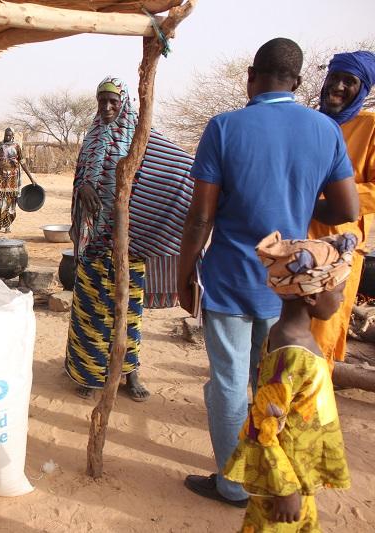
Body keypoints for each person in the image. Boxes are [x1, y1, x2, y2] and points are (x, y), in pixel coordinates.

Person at [178, 37, 358, 507]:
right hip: (286, 283)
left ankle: (233, 484)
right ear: (298, 82)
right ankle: (268, 475)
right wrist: (295, 198)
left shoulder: (224, 127)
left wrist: (182, 272)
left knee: (229, 382)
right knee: (271, 378)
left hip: (231, 276)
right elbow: (346, 207)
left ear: (251, 77)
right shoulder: (325, 129)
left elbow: (201, 216)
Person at [65, 75, 196, 402]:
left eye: (113, 101)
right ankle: (91, 374)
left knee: (127, 311)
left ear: (123, 103)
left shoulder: (141, 136)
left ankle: (129, 372)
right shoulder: (92, 137)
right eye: (102, 101)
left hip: (128, 242)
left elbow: (180, 167)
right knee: (92, 311)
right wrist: (83, 187)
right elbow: (80, 178)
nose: (107, 107)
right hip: (93, 242)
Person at [224, 231, 353, 531]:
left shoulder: (287, 335)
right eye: (339, 290)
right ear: (312, 295)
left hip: (299, 474)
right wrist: (284, 489)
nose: (343, 298)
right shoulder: (293, 354)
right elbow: (262, 427)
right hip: (285, 483)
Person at [308, 51, 375, 366]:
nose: (336, 87)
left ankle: (304, 410)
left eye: (349, 81)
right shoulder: (309, 123)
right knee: (280, 330)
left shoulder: (370, 127)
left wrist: (329, 200)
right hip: (292, 242)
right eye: (333, 78)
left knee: (322, 333)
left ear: (363, 89)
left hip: (338, 248)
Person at [0, 127, 36, 232]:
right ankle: (0, 223)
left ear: (13, 135)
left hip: (13, 178)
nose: (7, 137)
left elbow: (22, 162)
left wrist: (31, 178)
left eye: (9, 135)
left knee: (10, 202)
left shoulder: (17, 146)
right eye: (6, 134)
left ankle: (8, 225)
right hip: (0, 176)